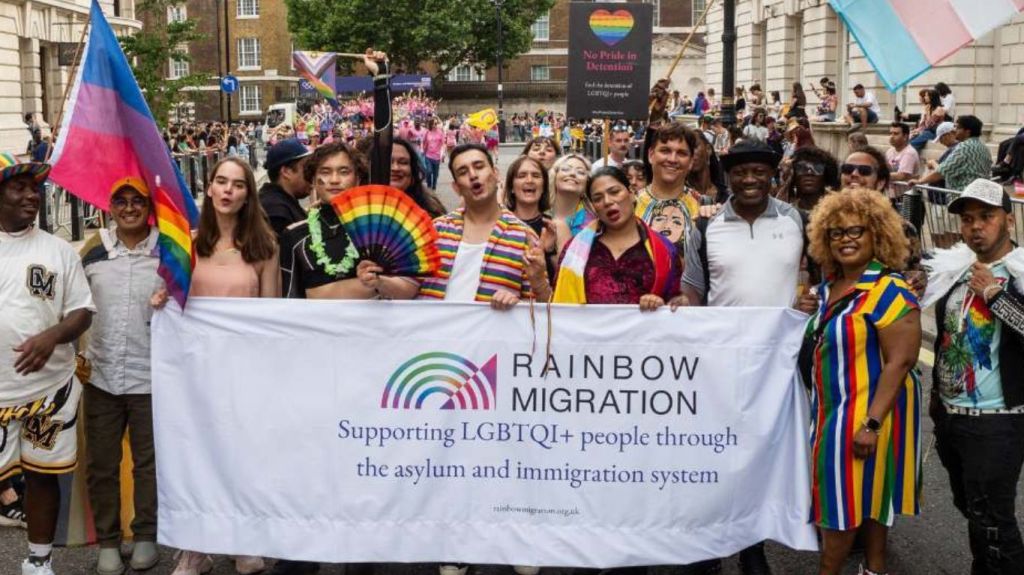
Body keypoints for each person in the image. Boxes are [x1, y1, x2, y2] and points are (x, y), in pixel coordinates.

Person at [673, 141, 804, 575]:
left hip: (778, 366)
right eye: (741, 172)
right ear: (728, 177)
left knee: (762, 458)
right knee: (714, 456)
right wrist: (678, 305)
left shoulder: (795, 221)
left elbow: (825, 272)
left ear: (773, 176)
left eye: (758, 172)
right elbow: (693, 290)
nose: (750, 180)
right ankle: (709, 545)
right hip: (719, 366)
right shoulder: (705, 228)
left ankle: (752, 546)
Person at [796, 188, 922, 575]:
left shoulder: (889, 290)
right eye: (836, 233)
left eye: (856, 231)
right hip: (835, 407)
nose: (846, 239)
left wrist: (871, 423)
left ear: (877, 235)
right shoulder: (828, 288)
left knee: (841, 499)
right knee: (869, 493)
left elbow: (901, 361)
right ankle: (875, 568)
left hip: (868, 411)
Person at [163, 157, 279, 575]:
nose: (228, 190)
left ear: (249, 193)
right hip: (195, 372)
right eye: (221, 182)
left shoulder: (264, 247)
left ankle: (242, 539)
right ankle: (195, 546)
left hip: (243, 370)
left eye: (238, 184)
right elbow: (172, 300)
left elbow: (272, 315)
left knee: (242, 456)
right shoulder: (187, 244)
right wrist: (161, 300)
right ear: (209, 188)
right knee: (196, 456)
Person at [0, 153, 95, 575]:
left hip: (48, 391)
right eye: (18, 187)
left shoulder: (58, 251)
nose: (31, 196)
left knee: (42, 477)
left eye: (34, 188)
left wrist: (52, 336)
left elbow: (82, 311)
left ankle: (38, 562)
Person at [923, 178, 1024, 574]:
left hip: (998, 422)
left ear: (1008, 221)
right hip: (952, 417)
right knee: (972, 508)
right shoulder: (956, 269)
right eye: (967, 219)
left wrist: (996, 295)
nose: (976, 227)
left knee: (994, 520)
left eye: (987, 217)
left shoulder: (1018, 273)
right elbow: (948, 338)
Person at [80, 182, 162, 575]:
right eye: (120, 201)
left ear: (149, 206)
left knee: (148, 462)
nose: (129, 208)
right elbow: (73, 302)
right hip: (102, 376)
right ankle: (108, 541)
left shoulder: (169, 251)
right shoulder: (94, 250)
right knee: (102, 463)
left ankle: (145, 534)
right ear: (109, 206)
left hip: (151, 377)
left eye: (137, 201)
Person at [418, 143, 551, 307]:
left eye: (479, 166)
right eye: (463, 172)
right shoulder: (435, 230)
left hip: (492, 331)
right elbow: (409, 287)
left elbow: (542, 307)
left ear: (496, 174)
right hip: (432, 331)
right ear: (456, 187)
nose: (473, 175)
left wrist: (522, 301)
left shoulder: (525, 236)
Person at [552, 166, 681, 308]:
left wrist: (661, 304)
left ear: (631, 193)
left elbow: (675, 305)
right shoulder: (574, 250)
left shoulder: (664, 250)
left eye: (614, 192)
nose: (607, 201)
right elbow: (559, 309)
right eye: (598, 198)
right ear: (593, 207)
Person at [637, 123, 703, 248]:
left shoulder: (704, 206)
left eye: (681, 153)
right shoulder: (630, 205)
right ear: (651, 155)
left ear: (691, 162)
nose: (672, 159)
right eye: (665, 151)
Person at [505, 156, 556, 283]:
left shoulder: (552, 227)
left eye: (536, 176)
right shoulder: (500, 223)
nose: (529, 180)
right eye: (522, 175)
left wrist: (549, 251)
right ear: (511, 187)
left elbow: (560, 281)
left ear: (544, 186)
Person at [910, 115, 992, 193]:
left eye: (958, 127)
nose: (954, 130)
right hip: (979, 194)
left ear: (967, 132)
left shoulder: (964, 147)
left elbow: (942, 171)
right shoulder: (984, 147)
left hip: (964, 197)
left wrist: (920, 181)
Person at [259, 138, 313, 239]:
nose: (311, 174)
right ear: (286, 172)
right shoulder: (276, 212)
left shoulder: (278, 201)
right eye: (306, 168)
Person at [390, 138, 447, 218]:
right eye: (389, 162)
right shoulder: (366, 205)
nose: (395, 168)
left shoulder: (432, 208)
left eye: (403, 162)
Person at [549, 153, 593, 254]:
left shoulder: (593, 224)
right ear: (555, 177)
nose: (572, 174)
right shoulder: (538, 210)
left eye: (581, 172)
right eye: (566, 169)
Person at [777, 146, 840, 212]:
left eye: (817, 168)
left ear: (826, 175)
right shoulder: (786, 212)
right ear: (793, 175)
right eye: (802, 168)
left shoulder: (836, 212)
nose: (809, 173)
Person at [884, 122, 919, 198]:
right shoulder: (890, 151)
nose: (891, 136)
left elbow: (902, 176)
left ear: (905, 136)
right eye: (890, 133)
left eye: (896, 134)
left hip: (906, 197)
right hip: (892, 196)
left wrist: (879, 175)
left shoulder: (909, 153)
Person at [422, 117, 446, 190]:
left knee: (435, 174)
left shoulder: (440, 133)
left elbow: (443, 144)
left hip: (437, 157)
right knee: (429, 171)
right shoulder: (427, 132)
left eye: (436, 123)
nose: (435, 125)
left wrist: (443, 153)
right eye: (434, 123)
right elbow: (424, 143)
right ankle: (429, 186)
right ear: (431, 124)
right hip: (428, 156)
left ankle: (434, 187)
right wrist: (423, 151)